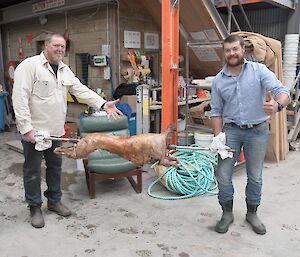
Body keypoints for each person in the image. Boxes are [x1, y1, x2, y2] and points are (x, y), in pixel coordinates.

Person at [12, 33, 123, 228]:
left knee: (55, 168)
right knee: (32, 171)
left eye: (63, 46)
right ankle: (34, 207)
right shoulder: (30, 66)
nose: (60, 50)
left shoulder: (64, 69)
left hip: (55, 131)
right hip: (35, 133)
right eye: (56, 46)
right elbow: (19, 98)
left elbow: (80, 89)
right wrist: (26, 128)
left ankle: (54, 201)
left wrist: (103, 103)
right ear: (46, 46)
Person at [210, 35, 290, 235]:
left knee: (255, 177)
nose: (232, 53)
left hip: (257, 131)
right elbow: (216, 111)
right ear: (224, 53)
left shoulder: (259, 71)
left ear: (243, 50)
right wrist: (218, 137)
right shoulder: (219, 80)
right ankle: (227, 213)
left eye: (235, 49)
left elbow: (283, 92)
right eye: (228, 50)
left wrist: (277, 105)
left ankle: (252, 212)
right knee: (223, 175)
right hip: (231, 131)